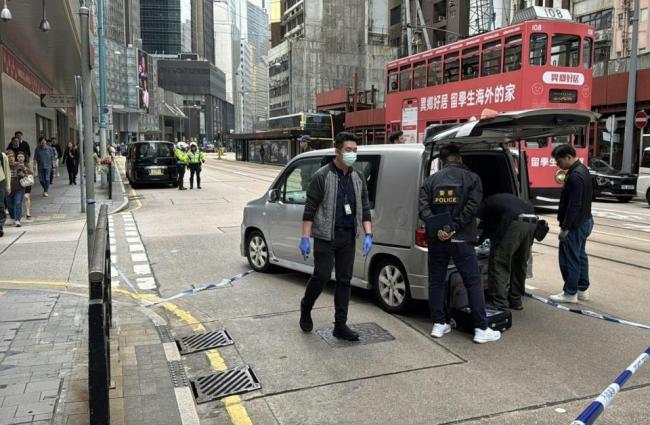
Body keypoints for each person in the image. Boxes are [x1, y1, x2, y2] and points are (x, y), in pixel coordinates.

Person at [418, 144, 500, 344]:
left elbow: (423, 209)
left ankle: (439, 324)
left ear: (441, 161)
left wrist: (440, 228)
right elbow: (472, 207)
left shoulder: (430, 181)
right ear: (460, 158)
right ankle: (481, 328)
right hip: (461, 239)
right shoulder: (472, 178)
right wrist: (453, 227)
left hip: (437, 240)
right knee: (473, 281)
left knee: (436, 281)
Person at [299, 132, 373, 341]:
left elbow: (365, 208)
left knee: (344, 280)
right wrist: (305, 237)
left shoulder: (358, 177)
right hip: (325, 236)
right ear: (338, 151)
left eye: (355, 150)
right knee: (322, 276)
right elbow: (310, 209)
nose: (352, 154)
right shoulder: (322, 176)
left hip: (347, 236)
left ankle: (340, 325)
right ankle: (306, 306)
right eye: (348, 150)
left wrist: (368, 233)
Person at [549, 144, 593, 303]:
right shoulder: (583, 170)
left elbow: (574, 205)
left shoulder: (574, 176)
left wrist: (565, 227)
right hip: (585, 220)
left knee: (569, 258)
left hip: (575, 224)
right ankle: (582, 289)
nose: (557, 164)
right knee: (580, 256)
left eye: (559, 160)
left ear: (568, 157)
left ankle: (570, 292)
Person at [478, 193, 537, 311]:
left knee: (500, 262)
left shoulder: (484, 205)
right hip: (533, 222)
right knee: (519, 263)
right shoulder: (502, 200)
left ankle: (499, 302)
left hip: (514, 223)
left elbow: (477, 223)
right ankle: (516, 300)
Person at [7, 151, 32, 227]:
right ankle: (13, 217)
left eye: (12, 156)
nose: (11, 158)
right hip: (8, 190)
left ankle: (17, 220)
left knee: (18, 203)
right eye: (9, 157)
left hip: (19, 189)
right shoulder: (5, 166)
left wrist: (23, 174)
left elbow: (30, 173)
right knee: (10, 206)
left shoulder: (19, 165)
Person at [0, 150, 10, 237]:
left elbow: (7, 171)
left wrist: (8, 185)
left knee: (0, 205)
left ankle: (0, 226)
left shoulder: (2, 155)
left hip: (0, 182)